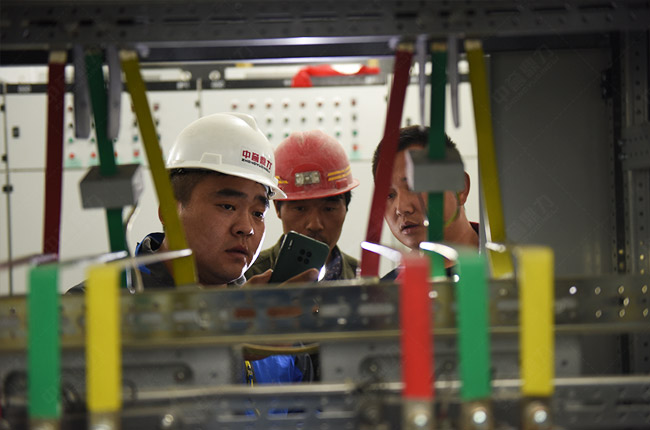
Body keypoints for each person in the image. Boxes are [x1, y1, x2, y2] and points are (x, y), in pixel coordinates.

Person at [75, 113, 315, 387]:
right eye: (227, 206)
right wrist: (223, 338)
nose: (246, 228)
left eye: (258, 213)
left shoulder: (274, 328)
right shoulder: (91, 311)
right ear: (169, 210)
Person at [245, 130, 360, 281]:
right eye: (300, 209)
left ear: (346, 208)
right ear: (278, 208)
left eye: (328, 209)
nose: (314, 225)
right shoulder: (247, 278)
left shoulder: (364, 280)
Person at [371, 125, 479, 280]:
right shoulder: (387, 290)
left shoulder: (507, 269)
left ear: (461, 188)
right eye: (389, 195)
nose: (401, 208)